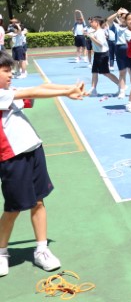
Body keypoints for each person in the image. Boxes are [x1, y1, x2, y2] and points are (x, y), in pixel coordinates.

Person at [0, 52, 87, 277]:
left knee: (38, 202)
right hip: (12, 158)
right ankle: (1, 252)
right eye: (6, 71)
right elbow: (32, 92)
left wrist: (69, 88)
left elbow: (39, 88)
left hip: (33, 150)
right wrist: (66, 92)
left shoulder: (9, 92)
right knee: (13, 209)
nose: (10, 74)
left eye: (10, 71)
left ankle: (41, 249)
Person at [86, 16, 120, 97]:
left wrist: (91, 37)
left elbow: (100, 44)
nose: (91, 23)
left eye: (92, 22)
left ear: (97, 23)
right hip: (97, 54)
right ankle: (93, 89)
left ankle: (121, 85)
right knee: (94, 72)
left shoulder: (100, 32)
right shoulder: (96, 31)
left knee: (106, 73)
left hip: (102, 54)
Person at [106, 8, 130, 99]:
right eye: (122, 17)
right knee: (122, 72)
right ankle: (122, 90)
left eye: (125, 17)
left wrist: (127, 12)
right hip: (120, 49)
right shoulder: (116, 26)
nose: (124, 19)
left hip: (130, 49)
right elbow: (108, 20)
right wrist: (117, 13)